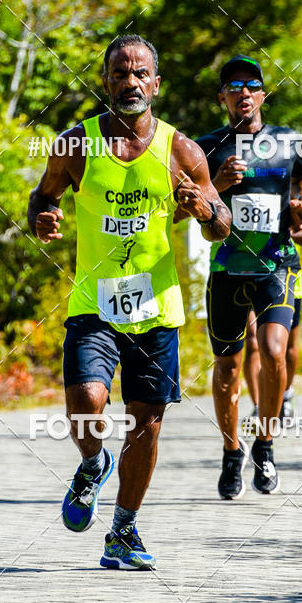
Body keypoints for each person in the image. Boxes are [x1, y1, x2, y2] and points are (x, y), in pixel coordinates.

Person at [28, 35, 230, 569]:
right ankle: (94, 464)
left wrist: (206, 213)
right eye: (120, 73)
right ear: (106, 82)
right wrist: (41, 216)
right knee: (88, 402)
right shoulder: (75, 147)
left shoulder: (183, 152)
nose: (131, 82)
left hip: (156, 310)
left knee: (147, 421)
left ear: (156, 85)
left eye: (141, 74)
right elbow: (42, 196)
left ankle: (122, 531)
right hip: (93, 302)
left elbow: (221, 227)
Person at [196, 54, 302, 500]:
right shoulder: (207, 147)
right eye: (234, 86)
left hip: (277, 264)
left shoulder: (287, 141)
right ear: (222, 97)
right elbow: (187, 202)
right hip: (227, 268)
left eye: (252, 85)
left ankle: (265, 445)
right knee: (227, 366)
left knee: (273, 351)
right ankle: (232, 452)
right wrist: (218, 186)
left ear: (263, 94)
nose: (243, 93)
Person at [242, 213, 302, 433]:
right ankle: (258, 406)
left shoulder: (293, 196)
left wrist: (279, 229)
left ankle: (285, 394)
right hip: (248, 274)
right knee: (253, 341)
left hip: (287, 278)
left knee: (288, 347)